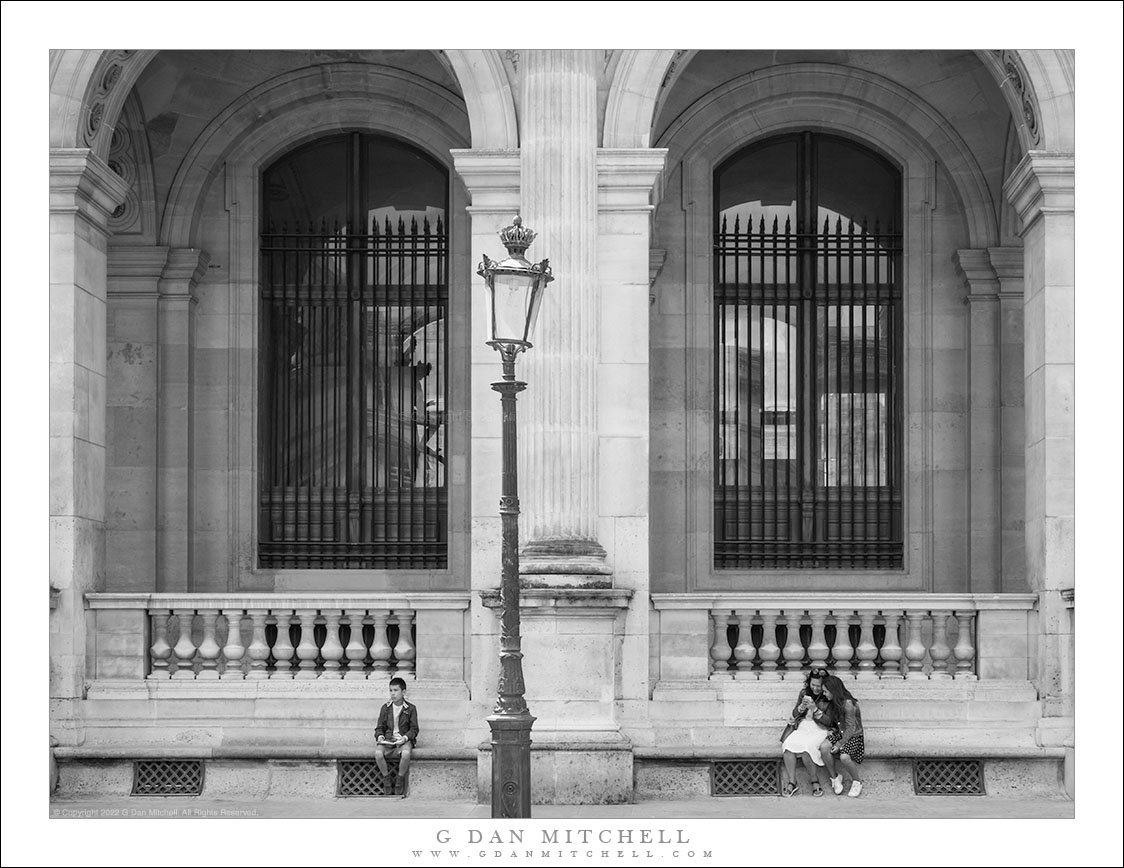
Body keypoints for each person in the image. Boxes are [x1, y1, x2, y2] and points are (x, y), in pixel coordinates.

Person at [779, 667, 835, 797]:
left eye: (819, 686)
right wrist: (801, 708)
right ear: (809, 682)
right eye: (813, 685)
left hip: (820, 729)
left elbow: (829, 722)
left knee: (807, 748)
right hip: (803, 727)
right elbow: (794, 714)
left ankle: (814, 780)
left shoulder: (828, 695)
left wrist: (815, 710)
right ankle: (792, 782)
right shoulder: (804, 692)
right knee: (787, 745)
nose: (815, 688)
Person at [819, 674, 865, 797]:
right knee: (824, 747)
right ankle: (835, 777)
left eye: (825, 691)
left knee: (844, 757)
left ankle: (857, 781)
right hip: (840, 733)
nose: (824, 694)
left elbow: (851, 728)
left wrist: (839, 744)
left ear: (833, 691)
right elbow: (836, 722)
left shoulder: (848, 704)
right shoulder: (833, 702)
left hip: (854, 736)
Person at [375, 676, 419, 795]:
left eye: (396, 690)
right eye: (391, 690)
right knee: (378, 754)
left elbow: (414, 729)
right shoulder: (386, 708)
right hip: (389, 740)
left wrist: (405, 738)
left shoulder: (410, 709)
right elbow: (379, 728)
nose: (392, 694)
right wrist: (380, 737)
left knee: (405, 754)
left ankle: (400, 779)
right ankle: (386, 778)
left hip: (403, 740)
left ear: (403, 692)